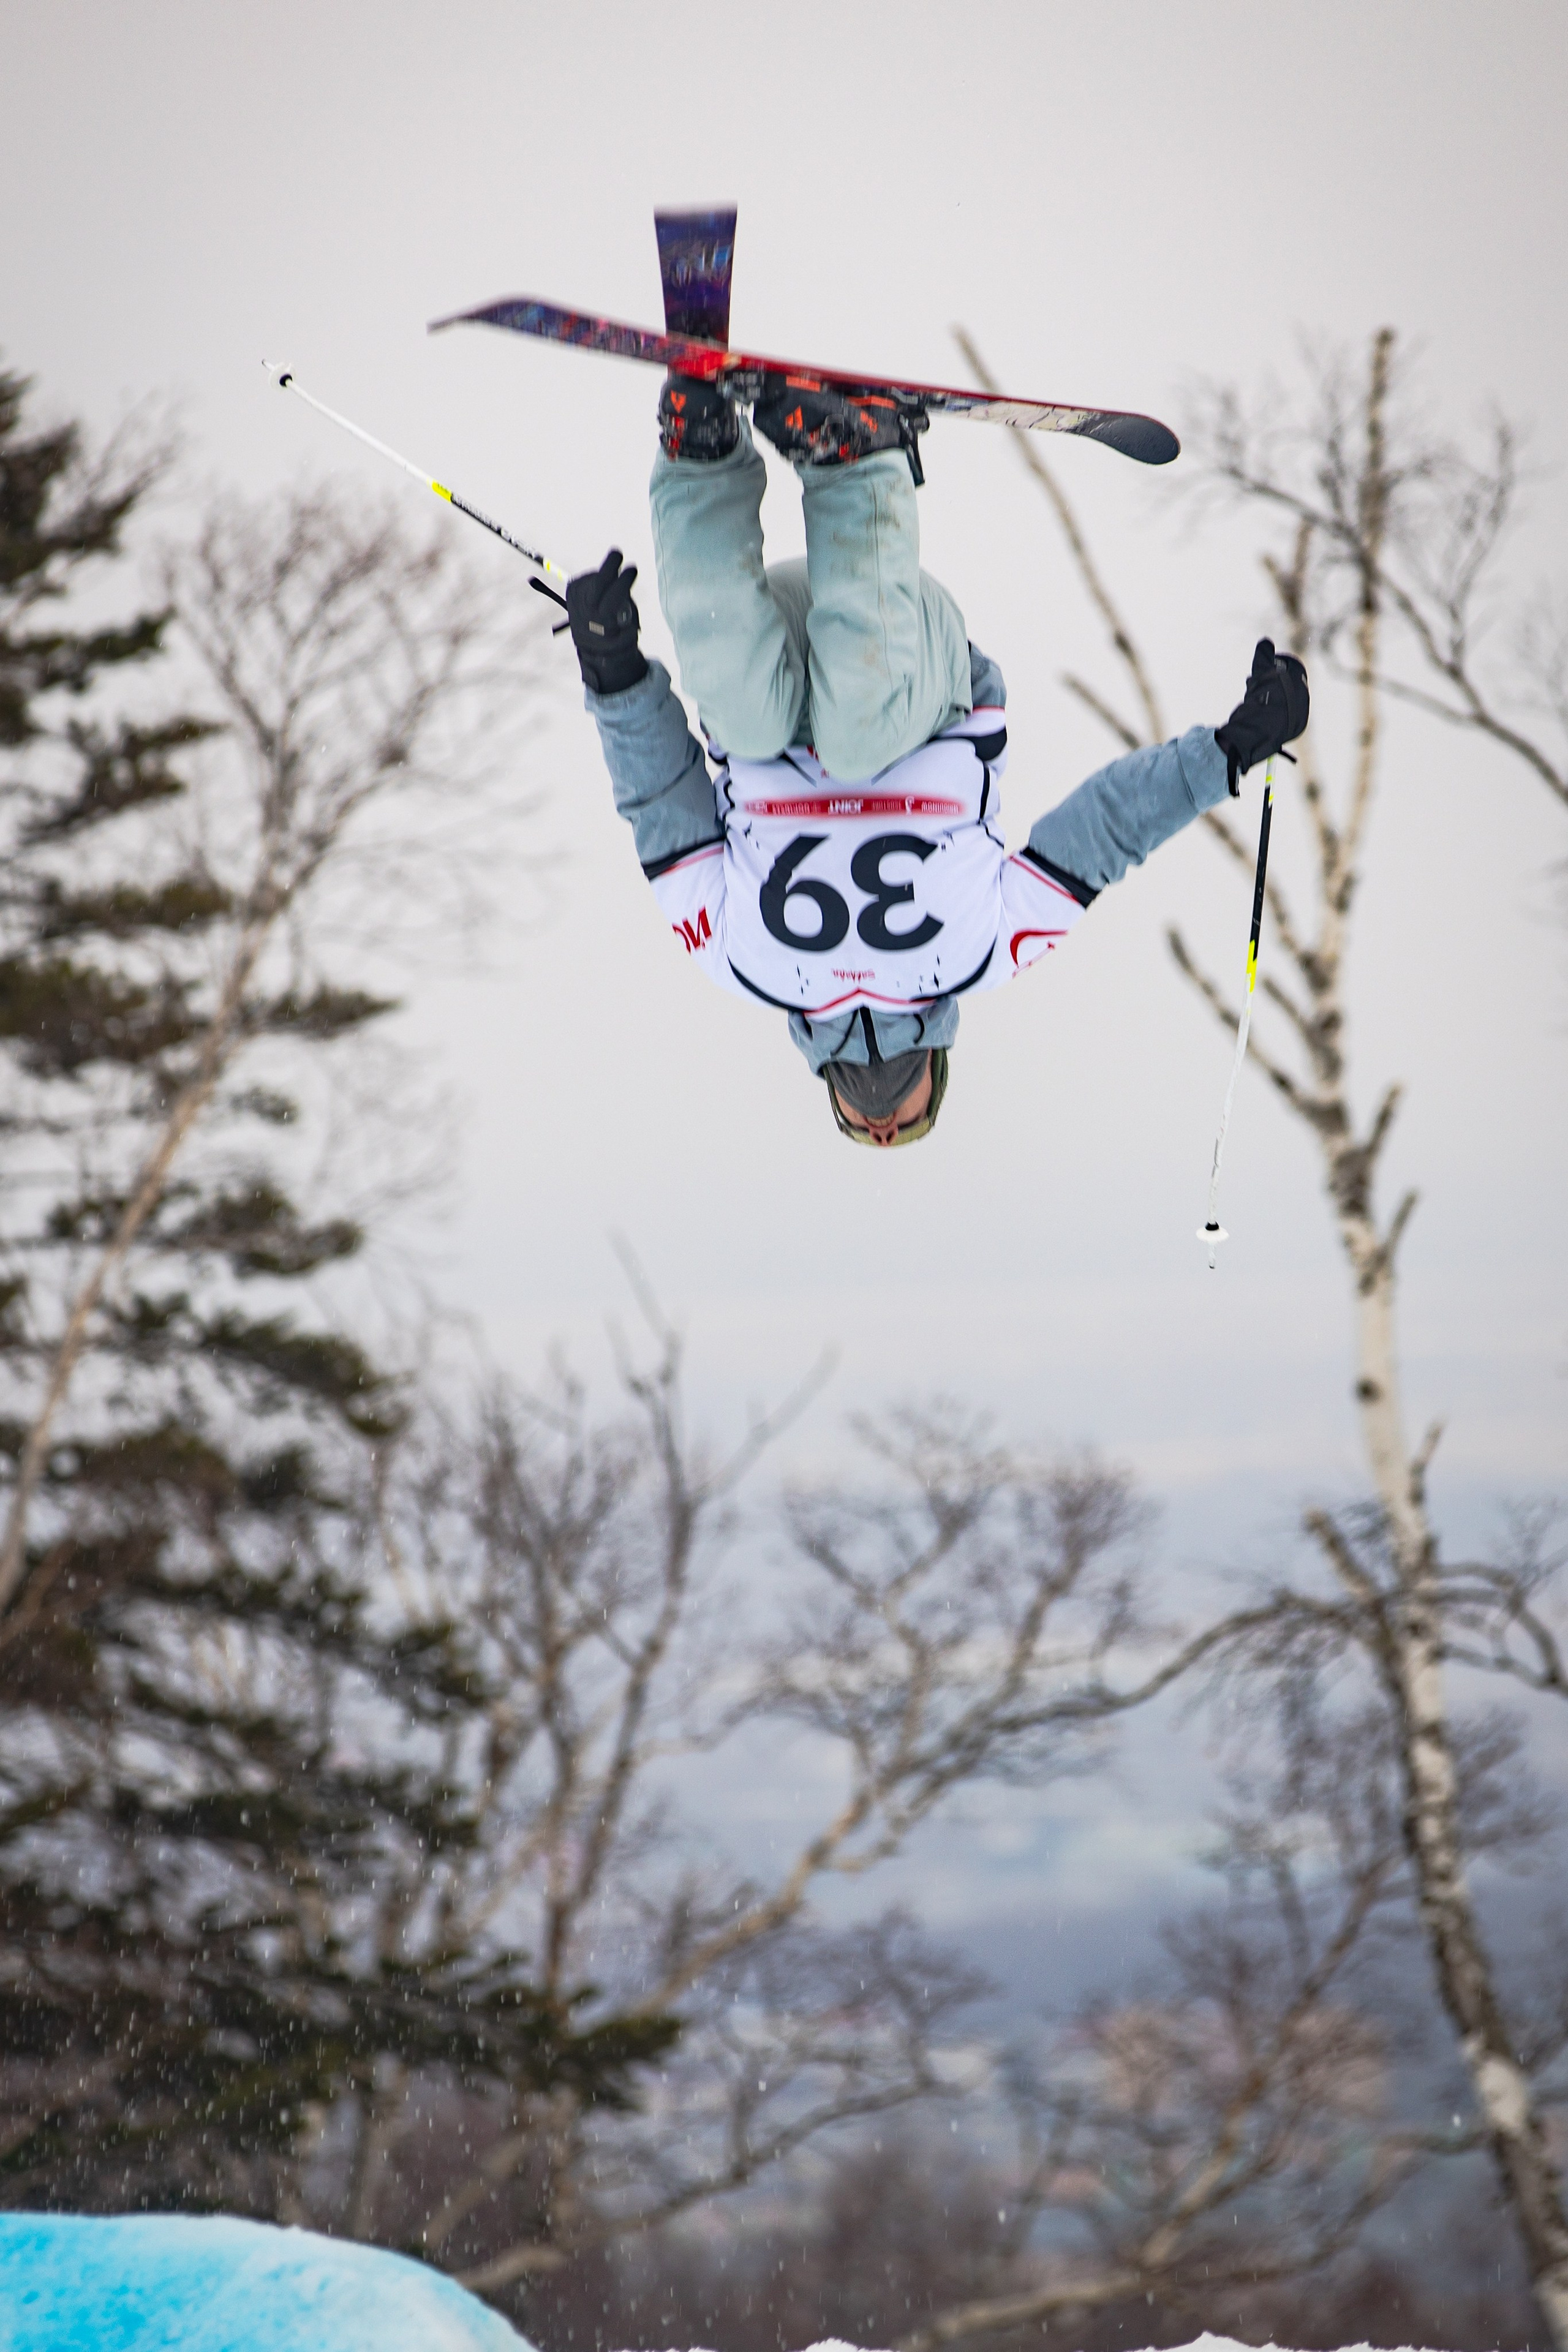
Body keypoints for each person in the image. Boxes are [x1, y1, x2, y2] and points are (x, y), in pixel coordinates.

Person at [563, 372, 1308, 1148]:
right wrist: (1226, 752)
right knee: (857, 737)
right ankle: (859, 459)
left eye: (863, 1128)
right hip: (912, 669)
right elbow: (1105, 830)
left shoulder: (741, 962)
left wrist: (614, 672)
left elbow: (662, 801)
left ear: (831, 1096)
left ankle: (700, 453)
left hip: (772, 662)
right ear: (936, 1076)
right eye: (909, 1125)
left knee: (743, 721)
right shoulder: (987, 949)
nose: (884, 1125)